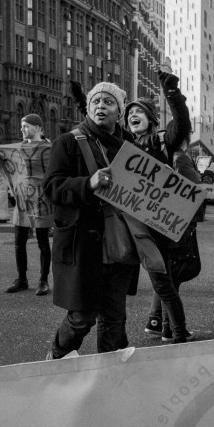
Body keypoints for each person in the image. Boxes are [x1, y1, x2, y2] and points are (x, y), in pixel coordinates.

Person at [43, 81, 140, 359]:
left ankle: (109, 380)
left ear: (119, 111)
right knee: (82, 317)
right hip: (84, 245)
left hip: (121, 245)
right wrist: (88, 183)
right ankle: (56, 360)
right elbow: (52, 188)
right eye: (96, 102)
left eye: (108, 102)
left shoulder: (129, 147)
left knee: (114, 319)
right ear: (88, 108)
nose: (101, 106)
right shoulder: (68, 142)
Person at [125, 71, 199, 344]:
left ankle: (175, 333)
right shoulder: (124, 144)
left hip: (160, 226)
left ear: (151, 120)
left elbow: (182, 123)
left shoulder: (163, 142)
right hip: (133, 225)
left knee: (164, 283)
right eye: (130, 112)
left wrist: (172, 95)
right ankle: (164, 328)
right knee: (159, 283)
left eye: (139, 111)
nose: (133, 114)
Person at [0, 113, 54, 296]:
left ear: (37, 128)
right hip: (22, 201)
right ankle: (22, 279)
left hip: (41, 201)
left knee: (43, 242)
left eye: (26, 126)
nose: (22, 130)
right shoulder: (18, 148)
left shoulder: (50, 148)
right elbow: (4, 158)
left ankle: (43, 280)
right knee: (19, 242)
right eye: (22, 126)